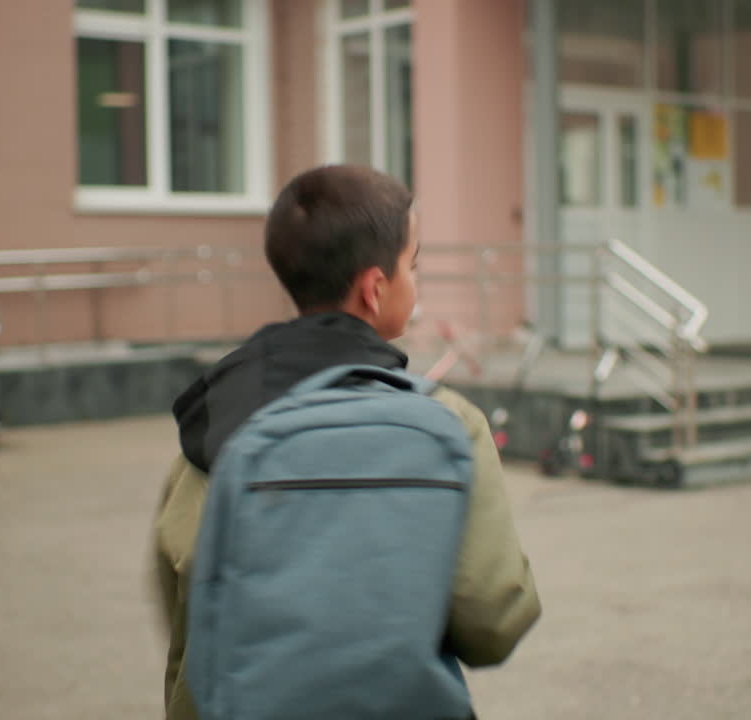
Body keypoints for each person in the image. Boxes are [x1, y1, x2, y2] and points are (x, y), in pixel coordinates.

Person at [151, 164, 540, 720]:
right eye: (413, 265)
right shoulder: (448, 424)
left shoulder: (210, 425)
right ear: (375, 289)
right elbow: (494, 621)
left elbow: (192, 636)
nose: (417, 281)